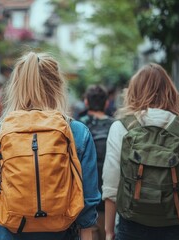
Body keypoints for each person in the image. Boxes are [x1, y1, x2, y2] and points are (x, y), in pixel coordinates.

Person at [0, 51, 101, 240]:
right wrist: (86, 229)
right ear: (57, 86)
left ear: (15, 86)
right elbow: (88, 198)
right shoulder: (77, 133)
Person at [102, 63, 179, 240]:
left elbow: (111, 188)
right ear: (171, 91)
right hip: (175, 228)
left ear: (133, 91)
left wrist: (109, 232)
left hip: (131, 227)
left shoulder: (120, 127)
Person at [79, 84, 114, 240]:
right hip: (111, 204)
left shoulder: (77, 126)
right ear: (106, 103)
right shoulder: (116, 126)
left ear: (86, 102)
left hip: (84, 204)